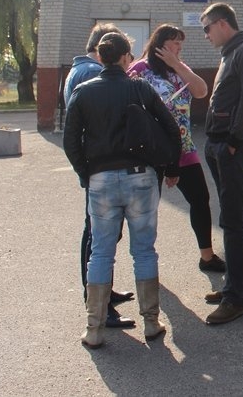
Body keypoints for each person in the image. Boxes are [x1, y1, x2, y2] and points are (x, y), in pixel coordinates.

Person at [63, 32, 180, 348]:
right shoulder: (139, 88)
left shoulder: (84, 92)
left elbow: (71, 141)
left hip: (100, 179)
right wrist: (171, 167)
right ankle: (151, 323)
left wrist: (86, 173)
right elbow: (171, 128)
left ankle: (94, 328)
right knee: (144, 250)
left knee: (101, 251)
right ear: (127, 57)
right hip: (141, 177)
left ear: (100, 57)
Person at [128, 24, 224, 272]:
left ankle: (207, 256)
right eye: (174, 42)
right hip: (152, 150)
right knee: (148, 206)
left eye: (181, 43)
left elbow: (201, 91)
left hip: (183, 147)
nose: (179, 47)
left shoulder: (180, 69)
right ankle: (145, 262)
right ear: (160, 44)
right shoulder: (140, 70)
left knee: (200, 199)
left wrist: (177, 64)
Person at [63, 22, 136, 331]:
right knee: (99, 240)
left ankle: (103, 294)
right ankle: (99, 304)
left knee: (98, 235)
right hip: (103, 172)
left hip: (96, 170)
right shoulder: (92, 74)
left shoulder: (78, 71)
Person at [200, 2, 243, 325]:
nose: (206, 35)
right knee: (234, 217)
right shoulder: (232, 52)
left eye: (207, 28)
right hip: (220, 145)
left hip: (231, 147)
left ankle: (235, 297)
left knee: (233, 220)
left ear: (223, 23)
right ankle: (240, 287)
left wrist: (233, 142)